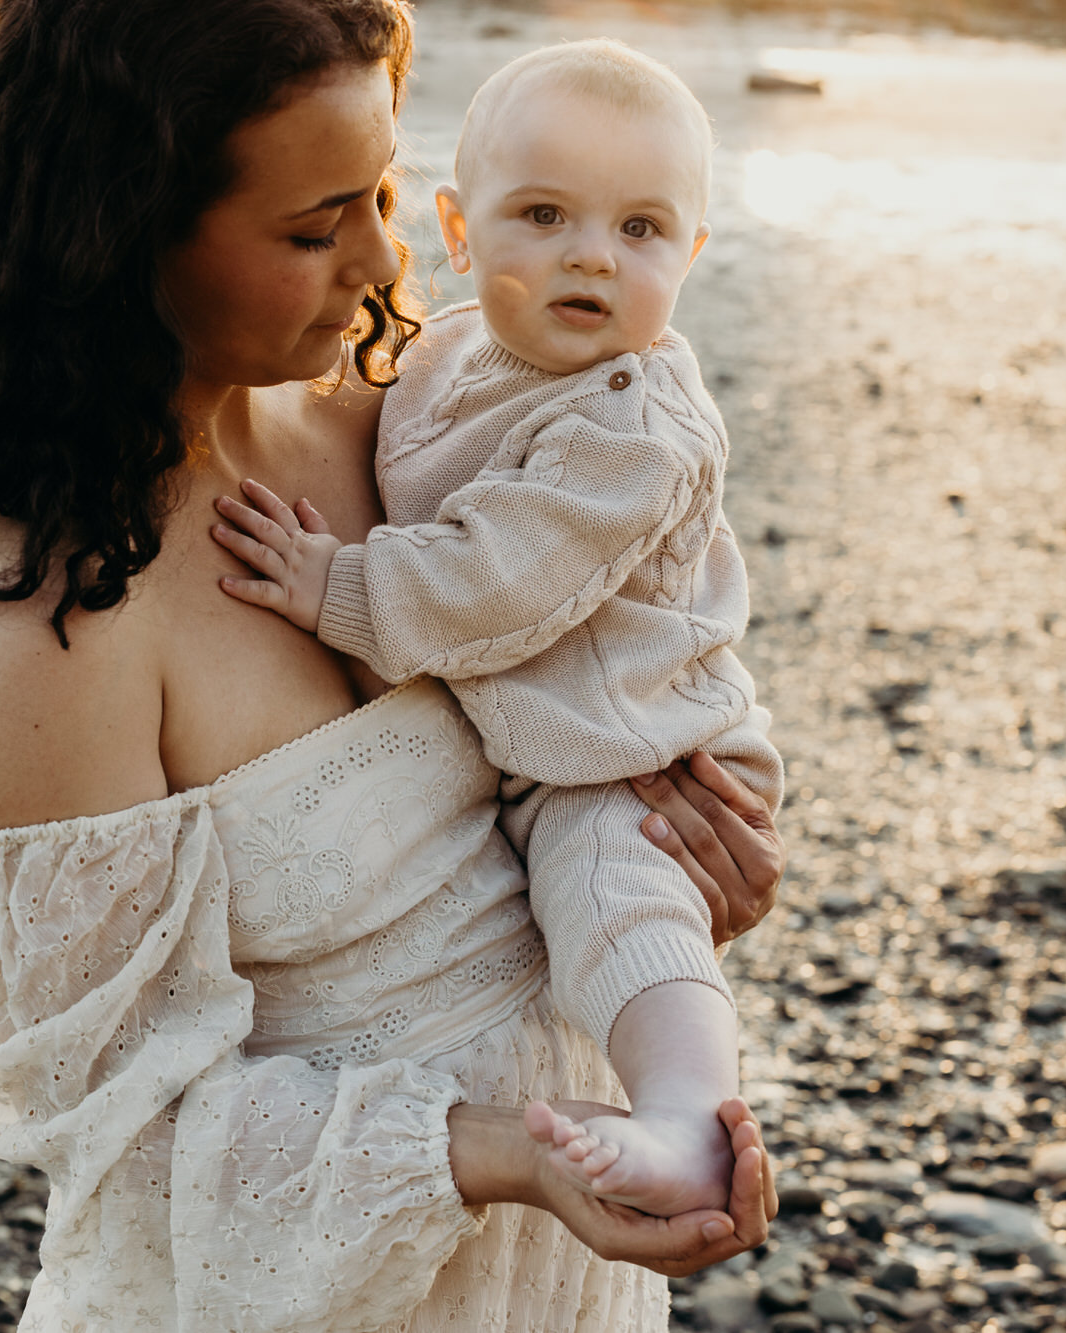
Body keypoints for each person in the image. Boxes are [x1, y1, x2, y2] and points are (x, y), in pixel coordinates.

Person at [0, 1, 787, 1327]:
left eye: (380, 191)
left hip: (561, 1278)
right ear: (117, 231)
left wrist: (690, 871)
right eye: (316, 228)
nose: (385, 264)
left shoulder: (413, 427)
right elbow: (126, 1131)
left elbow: (605, 698)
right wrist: (506, 1151)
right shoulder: (27, 620)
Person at [208, 39, 779, 1221]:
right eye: (544, 214)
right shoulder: (451, 352)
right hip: (536, 735)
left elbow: (496, 578)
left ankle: (686, 1114)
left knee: (625, 892)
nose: (590, 253)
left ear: (691, 257)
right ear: (459, 233)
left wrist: (338, 587)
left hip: (633, 750)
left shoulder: (634, 425)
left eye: (640, 230)